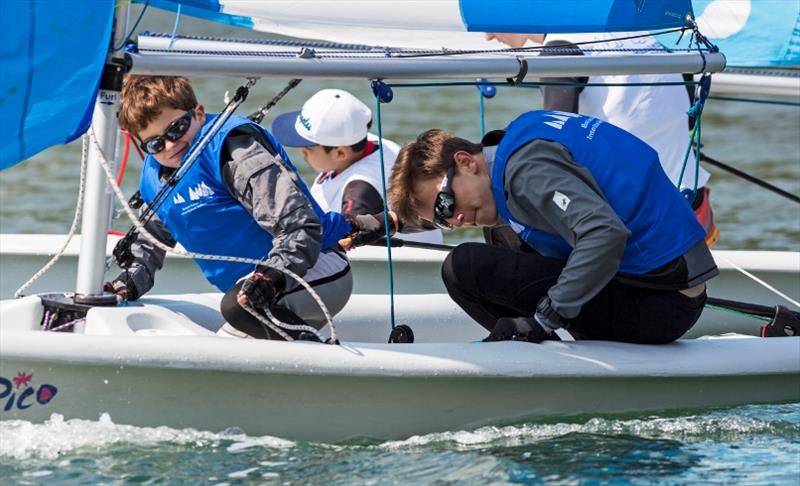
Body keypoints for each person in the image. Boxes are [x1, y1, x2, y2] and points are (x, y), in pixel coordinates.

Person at [348, 110, 719, 344]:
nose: (454, 220)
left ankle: (533, 345)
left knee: (464, 268)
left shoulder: (526, 173)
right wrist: (383, 223)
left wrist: (544, 319)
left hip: (659, 305)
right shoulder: (518, 137)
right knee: (496, 228)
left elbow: (604, 234)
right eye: (441, 219)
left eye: (446, 204)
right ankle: (533, 338)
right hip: (660, 283)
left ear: (465, 161)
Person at [109, 76, 357, 340]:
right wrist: (128, 283)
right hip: (254, 292)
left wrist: (271, 277)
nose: (170, 145)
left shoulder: (234, 152)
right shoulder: (154, 179)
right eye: (156, 144)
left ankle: (317, 356)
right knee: (239, 307)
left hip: (312, 269)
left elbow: (299, 226)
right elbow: (152, 240)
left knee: (237, 308)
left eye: (176, 129)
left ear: (199, 113)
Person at [485, 31, 719, 246]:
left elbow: (551, 150)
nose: (487, 36)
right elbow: (688, 119)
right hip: (691, 209)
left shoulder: (559, 51)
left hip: (638, 225)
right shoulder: (653, 31)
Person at [271, 89, 442, 244]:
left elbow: (348, 236)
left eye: (308, 148)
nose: (301, 152)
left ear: (340, 153)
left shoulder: (360, 188)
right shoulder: (369, 142)